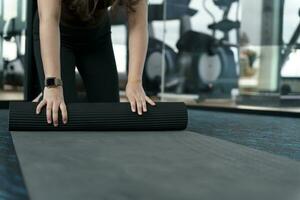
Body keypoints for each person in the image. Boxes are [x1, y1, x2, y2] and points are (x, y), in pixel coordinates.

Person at [32, 0, 156, 127]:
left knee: (109, 116)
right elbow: (49, 19)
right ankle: (47, 89)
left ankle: (62, 92)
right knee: (61, 114)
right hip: (57, 33)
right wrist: (53, 85)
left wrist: (135, 82)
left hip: (96, 36)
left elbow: (138, 21)